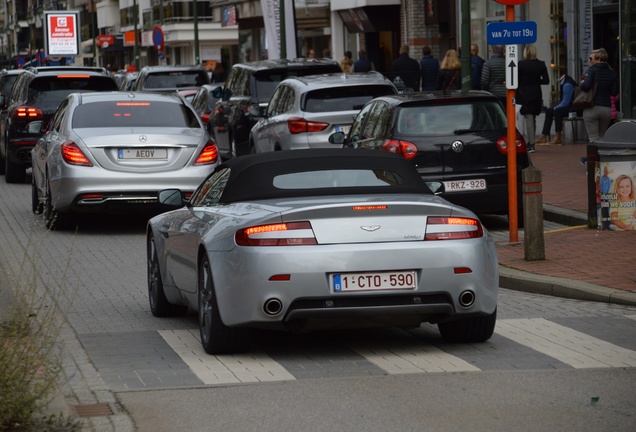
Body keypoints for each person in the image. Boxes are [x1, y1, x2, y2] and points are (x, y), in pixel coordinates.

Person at [515, 44, 549, 152]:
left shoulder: (521, 64)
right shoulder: (541, 64)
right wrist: (536, 81)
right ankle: (531, 141)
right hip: (536, 93)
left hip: (524, 93)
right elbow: (546, 80)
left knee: (529, 118)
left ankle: (532, 143)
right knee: (532, 117)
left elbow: (517, 81)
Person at [581, 48, 619, 143]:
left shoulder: (592, 70)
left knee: (593, 138)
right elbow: (614, 92)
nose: (589, 61)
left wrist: (582, 82)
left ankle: (593, 157)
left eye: (591, 58)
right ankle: (602, 157)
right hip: (606, 108)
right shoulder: (612, 72)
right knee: (602, 137)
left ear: (598, 59)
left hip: (592, 107)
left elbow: (585, 86)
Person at [536, 74, 577, 146]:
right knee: (549, 111)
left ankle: (558, 137)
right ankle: (544, 135)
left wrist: (556, 108)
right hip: (569, 106)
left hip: (573, 108)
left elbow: (566, 102)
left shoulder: (568, 85)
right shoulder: (566, 83)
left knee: (557, 111)